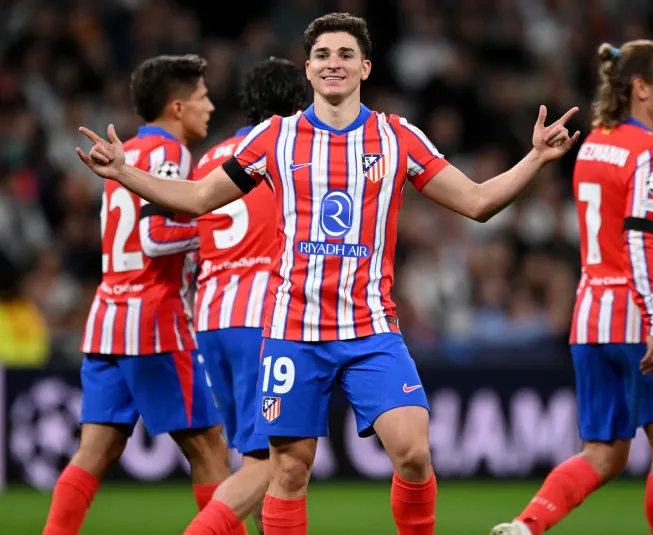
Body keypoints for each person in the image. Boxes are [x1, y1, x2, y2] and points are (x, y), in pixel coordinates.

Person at [75, 13, 579, 535]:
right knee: (289, 470)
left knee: (413, 451)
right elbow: (200, 197)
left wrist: (536, 158)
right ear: (308, 68)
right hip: (294, 331)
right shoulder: (275, 137)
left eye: (344, 55)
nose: (332, 64)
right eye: (322, 55)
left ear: (365, 67)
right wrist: (124, 173)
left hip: (370, 329)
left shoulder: (397, 136)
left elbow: (476, 202)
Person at [490, 40, 653, 535]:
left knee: (603, 453)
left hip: (591, 317)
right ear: (641, 88)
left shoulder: (594, 143)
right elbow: (639, 239)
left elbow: (626, 236)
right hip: (641, 316)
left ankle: (527, 525)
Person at [43, 54, 228, 535]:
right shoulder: (170, 152)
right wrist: (221, 232)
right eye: (203, 96)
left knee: (95, 451)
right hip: (154, 319)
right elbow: (156, 237)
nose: (210, 106)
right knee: (209, 448)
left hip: (108, 317)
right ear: (177, 106)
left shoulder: (128, 152)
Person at [183, 57, 309, 535]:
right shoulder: (287, 149)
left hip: (212, 318)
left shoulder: (209, 159)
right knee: (279, 462)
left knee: (258, 459)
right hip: (264, 319)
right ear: (299, 105)